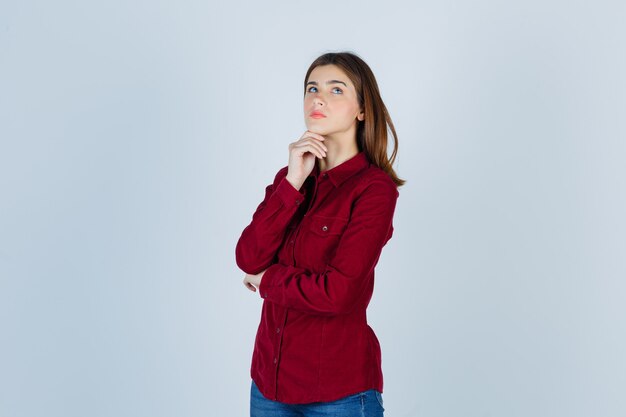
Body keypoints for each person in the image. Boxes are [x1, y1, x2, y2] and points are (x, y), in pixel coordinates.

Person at [235, 51, 404, 417]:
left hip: (338, 394)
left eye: (336, 89)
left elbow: (338, 294)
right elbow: (248, 258)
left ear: (362, 109)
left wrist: (268, 281)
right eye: (312, 88)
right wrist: (294, 180)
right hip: (268, 387)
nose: (318, 97)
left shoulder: (374, 190)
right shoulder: (290, 178)